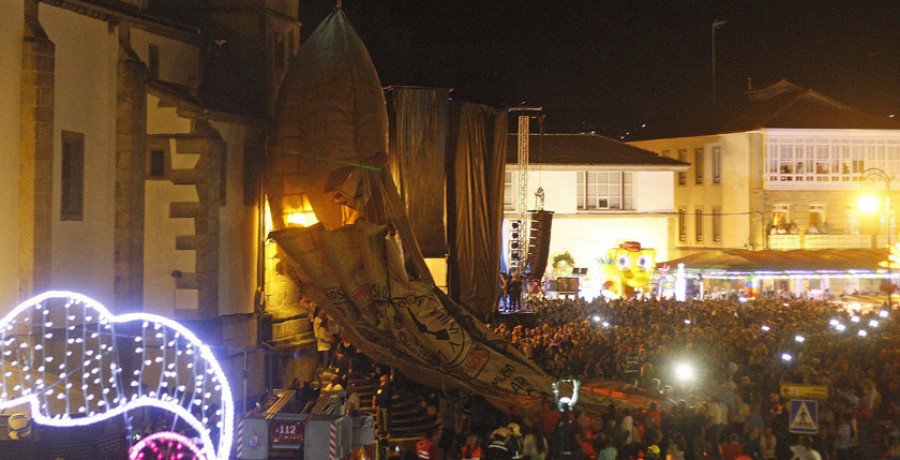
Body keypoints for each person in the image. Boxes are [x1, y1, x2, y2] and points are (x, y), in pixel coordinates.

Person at [373, 374, 393, 439]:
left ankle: (388, 432)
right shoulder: (378, 387)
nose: (381, 377)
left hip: (385, 405)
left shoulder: (388, 385)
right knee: (379, 420)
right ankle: (381, 432)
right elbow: (375, 396)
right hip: (379, 405)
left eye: (383, 376)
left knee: (386, 420)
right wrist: (374, 404)